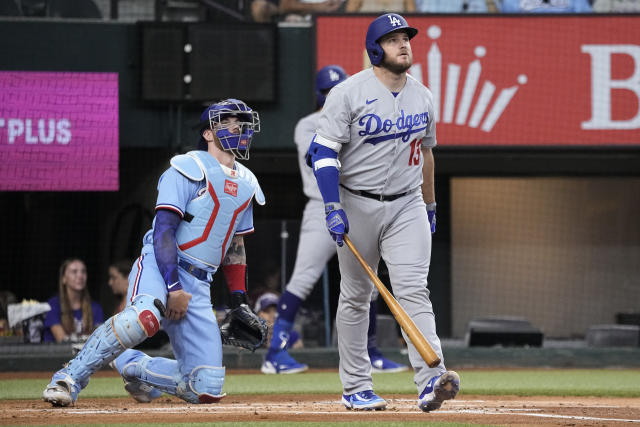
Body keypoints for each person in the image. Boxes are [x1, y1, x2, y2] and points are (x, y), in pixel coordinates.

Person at [42, 98, 265, 407]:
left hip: (200, 284)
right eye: (227, 121)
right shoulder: (187, 167)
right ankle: (68, 379)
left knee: (205, 387)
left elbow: (235, 247)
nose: (237, 127)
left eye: (241, 122)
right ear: (208, 133)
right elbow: (163, 232)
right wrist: (173, 287)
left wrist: (239, 300)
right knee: (143, 318)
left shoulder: (247, 183)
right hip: (162, 267)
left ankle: (134, 366)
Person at [306, 13, 460, 412]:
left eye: (406, 37)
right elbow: (323, 153)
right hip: (356, 200)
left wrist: (429, 204)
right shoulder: (347, 93)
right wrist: (332, 205)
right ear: (376, 49)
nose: (404, 44)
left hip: (407, 201)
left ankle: (431, 380)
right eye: (393, 39)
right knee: (357, 295)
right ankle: (356, 386)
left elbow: (426, 154)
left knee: (414, 290)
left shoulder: (423, 95)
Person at [262, 65, 408, 375]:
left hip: (355, 207)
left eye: (338, 91)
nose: (333, 97)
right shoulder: (307, 124)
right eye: (328, 92)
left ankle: (371, 354)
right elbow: (320, 156)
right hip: (320, 208)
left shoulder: (356, 120)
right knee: (303, 278)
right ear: (319, 95)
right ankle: (275, 354)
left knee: (368, 284)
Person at [43, 258, 104, 343]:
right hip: (58, 355)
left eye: (83, 271)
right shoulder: (52, 305)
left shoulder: (95, 307)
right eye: (74, 272)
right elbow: (62, 340)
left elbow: (98, 341)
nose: (80, 276)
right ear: (64, 279)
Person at [499, 0, 592, 12]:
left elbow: (588, 24)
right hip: (526, 44)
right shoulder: (512, 1)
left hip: (566, 42)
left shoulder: (577, 1)